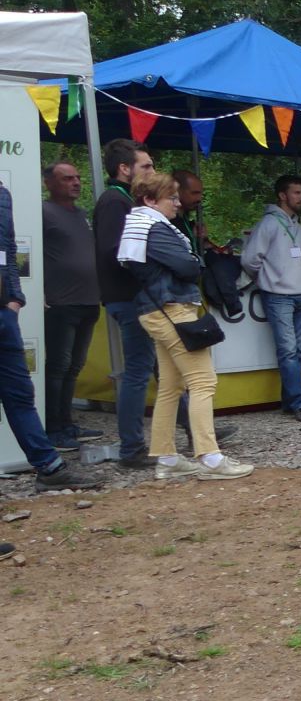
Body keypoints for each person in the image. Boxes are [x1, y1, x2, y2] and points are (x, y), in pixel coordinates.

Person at [120, 171, 251, 481]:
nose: (177, 204)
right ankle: (210, 457)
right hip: (173, 309)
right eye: (171, 198)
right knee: (203, 381)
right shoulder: (157, 229)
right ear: (150, 200)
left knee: (170, 386)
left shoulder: (139, 225)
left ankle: (167, 457)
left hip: (156, 310)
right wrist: (192, 260)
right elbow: (189, 267)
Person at [1, 176, 100, 491]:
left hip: (4, 315)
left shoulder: (3, 194)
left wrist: (15, 298)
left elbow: (8, 249)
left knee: (20, 394)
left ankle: (49, 467)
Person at [93, 138, 157, 467]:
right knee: (138, 372)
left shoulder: (126, 200)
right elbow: (113, 251)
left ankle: (195, 428)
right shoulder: (114, 202)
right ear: (124, 169)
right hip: (129, 298)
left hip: (136, 296)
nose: (152, 171)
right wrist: (151, 265)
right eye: (146, 166)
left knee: (161, 366)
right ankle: (131, 448)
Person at [242, 174, 301, 423]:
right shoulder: (268, 224)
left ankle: (293, 400)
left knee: (298, 351)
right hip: (278, 296)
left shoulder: (300, 228)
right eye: (297, 193)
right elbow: (250, 259)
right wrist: (266, 279)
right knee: (288, 350)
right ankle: (299, 402)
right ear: (282, 195)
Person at [41, 161, 105, 452]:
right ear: (49, 183)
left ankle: (68, 423)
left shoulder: (81, 215)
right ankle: (53, 428)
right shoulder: (43, 213)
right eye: (67, 178)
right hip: (60, 301)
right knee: (58, 366)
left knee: (75, 366)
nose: (76, 182)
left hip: (88, 300)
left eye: (77, 177)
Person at [171, 170, 208, 254]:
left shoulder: (185, 220)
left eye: (200, 194)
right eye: (194, 193)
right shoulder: (170, 222)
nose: (199, 199)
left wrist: (202, 240)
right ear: (177, 191)